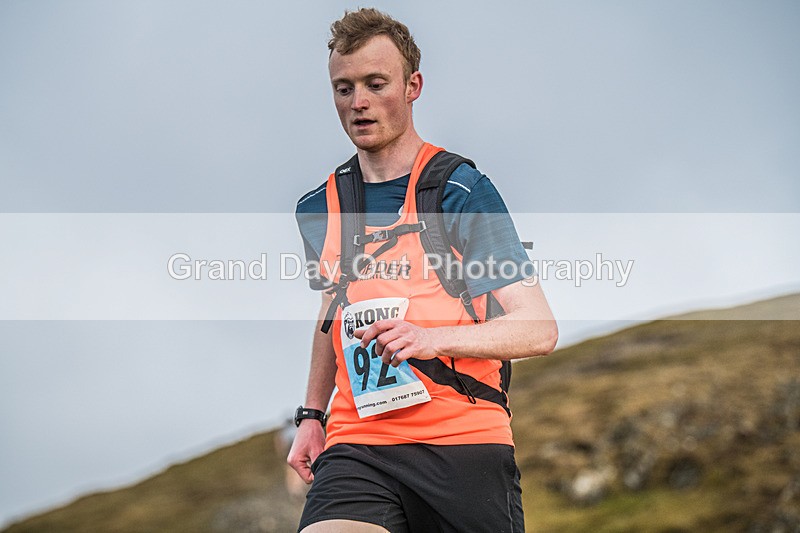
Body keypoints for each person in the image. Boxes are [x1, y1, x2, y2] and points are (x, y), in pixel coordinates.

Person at [288, 8, 558, 532]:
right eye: (343, 89)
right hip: (358, 444)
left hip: (463, 444)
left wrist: (430, 338)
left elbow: (538, 327)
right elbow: (332, 308)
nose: (358, 102)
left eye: (375, 83)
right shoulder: (320, 206)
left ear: (413, 86)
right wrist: (313, 416)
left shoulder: (459, 192)